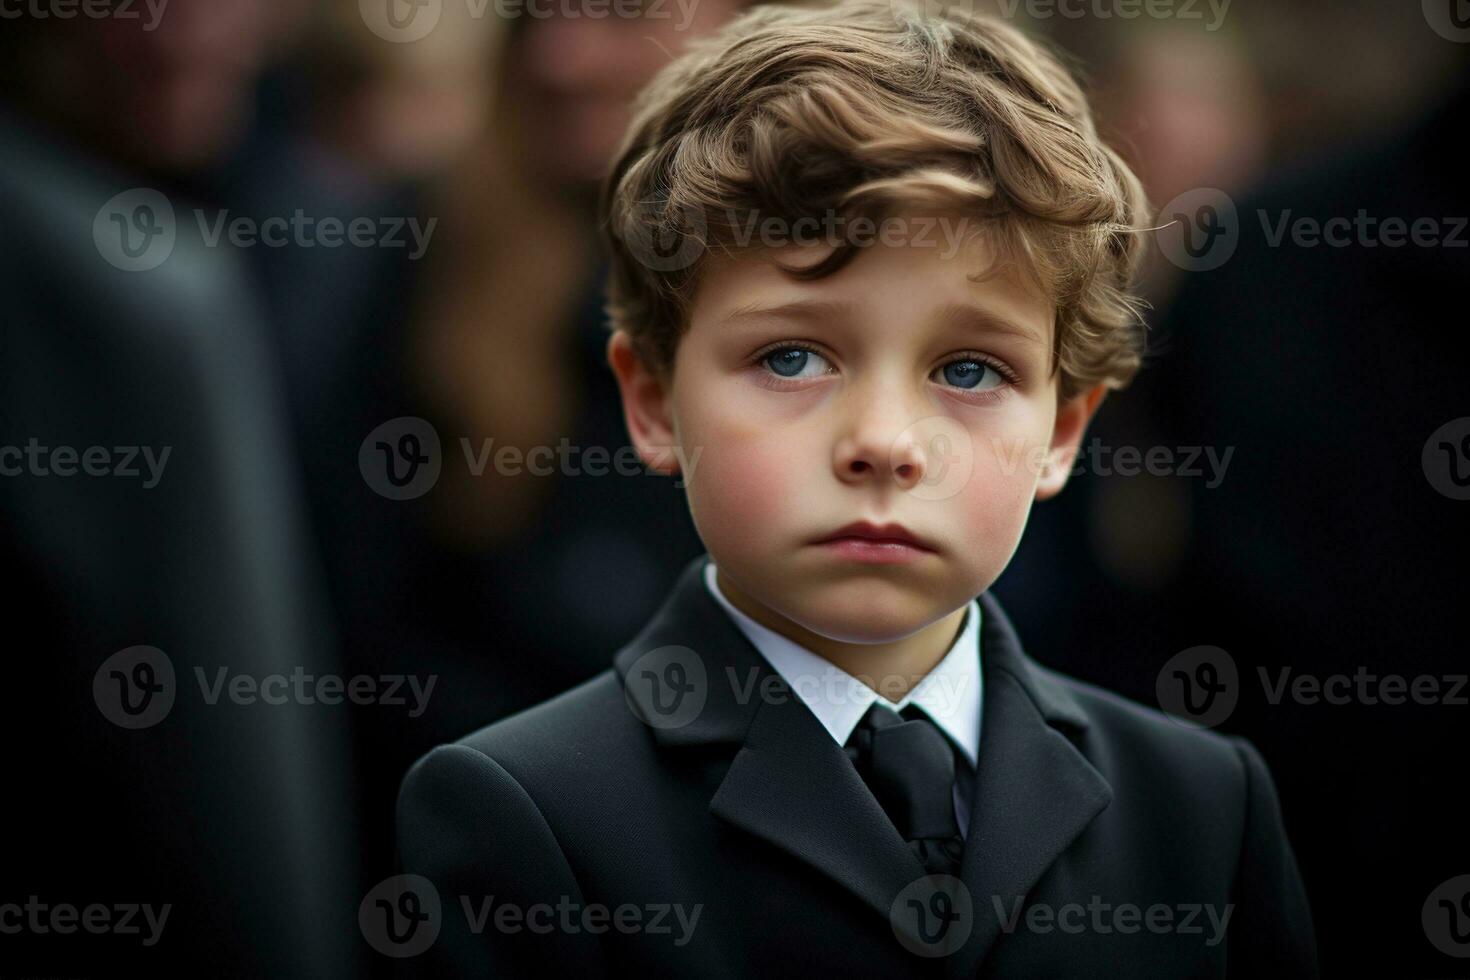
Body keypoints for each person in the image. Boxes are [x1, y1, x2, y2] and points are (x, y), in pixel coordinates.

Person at [395, 2, 1317, 975]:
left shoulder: (1201, 803)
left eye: (968, 370)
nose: (884, 442)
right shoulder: (524, 811)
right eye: (792, 356)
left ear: (1062, 429)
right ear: (655, 400)